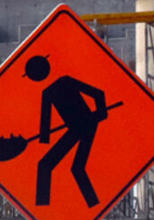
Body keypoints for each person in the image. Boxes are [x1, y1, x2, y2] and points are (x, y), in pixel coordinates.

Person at [25, 55, 107, 208]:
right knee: (58, 167)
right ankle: (47, 207)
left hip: (87, 124)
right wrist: (43, 140)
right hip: (76, 128)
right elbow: (45, 126)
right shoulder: (47, 92)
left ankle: (91, 205)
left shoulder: (66, 81)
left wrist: (100, 114)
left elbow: (98, 93)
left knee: (57, 166)